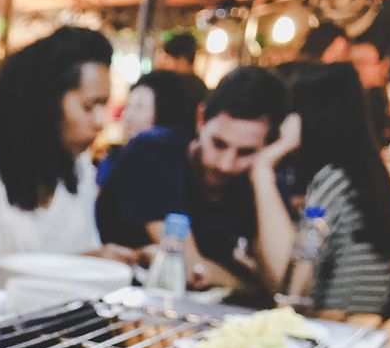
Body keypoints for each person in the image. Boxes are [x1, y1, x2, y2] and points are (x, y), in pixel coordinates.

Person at [0, 27, 119, 301]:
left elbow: (87, 250)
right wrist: (75, 267)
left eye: (104, 106)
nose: (100, 121)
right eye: (89, 106)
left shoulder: (77, 167)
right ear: (47, 102)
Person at [96, 67, 289, 293]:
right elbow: (187, 271)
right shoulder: (153, 152)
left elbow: (286, 285)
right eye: (218, 143)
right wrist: (253, 286)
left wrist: (263, 172)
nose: (225, 164)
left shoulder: (257, 177)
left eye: (246, 152)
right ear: (200, 119)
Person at [250, 62, 390, 313]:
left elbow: (288, 286)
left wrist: (262, 168)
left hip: (330, 328)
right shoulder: (363, 177)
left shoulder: (334, 179)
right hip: (355, 328)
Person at [99, 70, 197, 186]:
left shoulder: (174, 172)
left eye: (139, 107)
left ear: (163, 113)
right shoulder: (114, 159)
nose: (127, 115)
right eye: (128, 106)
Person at [350, 34, 390, 143]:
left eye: (362, 62)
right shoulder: (343, 100)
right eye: (352, 63)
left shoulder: (375, 97)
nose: (356, 69)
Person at [154, 32, 209, 115]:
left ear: (182, 60)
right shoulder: (201, 87)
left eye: (169, 59)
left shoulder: (172, 87)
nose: (165, 63)